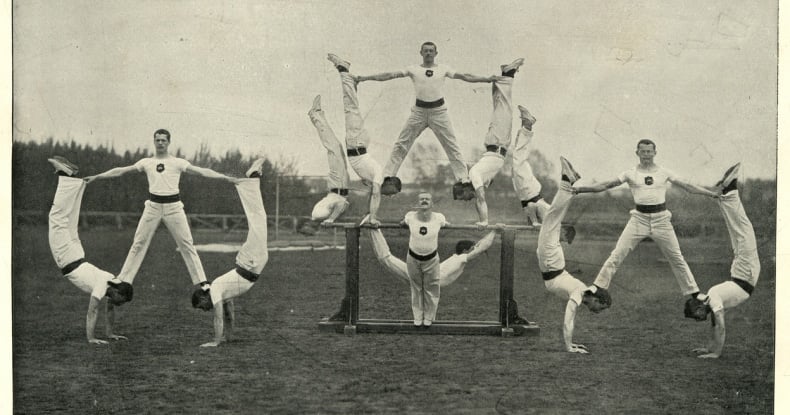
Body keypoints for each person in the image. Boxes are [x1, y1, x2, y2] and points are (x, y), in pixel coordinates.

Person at [84, 129, 240, 287]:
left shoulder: (177, 162)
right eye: (157, 140)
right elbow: (121, 171)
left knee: (187, 244)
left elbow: (202, 172)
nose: (160, 143)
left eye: (163, 140)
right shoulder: (146, 162)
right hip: (152, 207)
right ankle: (123, 279)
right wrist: (97, 177)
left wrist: (226, 178)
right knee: (138, 242)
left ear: (168, 142)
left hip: (174, 208)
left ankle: (202, 282)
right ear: (154, 142)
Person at [574, 139, 719, 303]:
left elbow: (688, 186)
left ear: (655, 153)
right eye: (643, 152)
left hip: (661, 220)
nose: (646, 155)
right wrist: (579, 189)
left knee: (677, 258)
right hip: (638, 220)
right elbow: (605, 185)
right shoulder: (629, 173)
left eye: (649, 152)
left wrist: (712, 194)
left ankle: (694, 293)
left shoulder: (664, 172)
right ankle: (598, 286)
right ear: (637, 153)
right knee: (617, 254)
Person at [354, 41, 508, 196]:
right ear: (421, 52)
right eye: (425, 51)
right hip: (419, 112)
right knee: (401, 144)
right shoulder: (413, 69)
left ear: (436, 53)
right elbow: (389, 75)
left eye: (431, 51)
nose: (428, 53)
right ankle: (388, 177)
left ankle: (464, 180)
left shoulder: (443, 69)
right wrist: (365, 78)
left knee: (451, 145)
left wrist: (486, 79)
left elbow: (465, 76)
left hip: (439, 112)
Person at [46, 156, 134, 344]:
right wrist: (91, 338)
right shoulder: (103, 285)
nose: (119, 304)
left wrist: (110, 334)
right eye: (121, 300)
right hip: (68, 258)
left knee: (69, 220)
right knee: (57, 219)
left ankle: (75, 182)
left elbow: (109, 310)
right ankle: (65, 175)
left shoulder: (113, 281)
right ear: (118, 292)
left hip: (78, 254)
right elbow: (92, 310)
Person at [684, 163, 759, 359]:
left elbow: (721, 327)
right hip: (742, 271)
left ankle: (729, 192)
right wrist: (708, 348)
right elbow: (715, 326)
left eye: (696, 315)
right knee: (739, 229)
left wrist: (715, 353)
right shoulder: (711, 298)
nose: (698, 319)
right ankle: (728, 192)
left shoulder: (714, 298)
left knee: (742, 228)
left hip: (745, 271)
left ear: (700, 307)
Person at [538, 157, 612, 353]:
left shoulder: (580, 290)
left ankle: (566, 183)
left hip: (553, 264)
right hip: (552, 263)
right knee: (553, 217)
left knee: (552, 217)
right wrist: (569, 346)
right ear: (597, 300)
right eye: (601, 308)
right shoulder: (579, 293)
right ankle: (566, 182)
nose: (598, 312)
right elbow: (568, 318)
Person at [191, 160, 268, 347]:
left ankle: (249, 181)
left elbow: (218, 318)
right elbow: (229, 315)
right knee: (258, 219)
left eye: (202, 307)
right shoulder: (222, 293)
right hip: (252, 264)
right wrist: (229, 337)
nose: (205, 310)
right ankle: (251, 181)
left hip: (249, 262)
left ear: (203, 296)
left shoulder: (216, 289)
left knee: (258, 219)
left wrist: (216, 341)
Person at [325, 54, 384, 226]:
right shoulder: (379, 174)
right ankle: (344, 71)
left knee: (354, 109)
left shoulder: (373, 177)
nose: (383, 193)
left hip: (359, 143)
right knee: (350, 108)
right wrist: (373, 216)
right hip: (356, 143)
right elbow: (375, 195)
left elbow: (372, 192)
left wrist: (370, 214)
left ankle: (351, 83)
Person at [467, 58, 525, 227]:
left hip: (497, 143)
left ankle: (507, 74)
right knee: (501, 107)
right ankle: (507, 74)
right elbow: (482, 190)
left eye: (464, 196)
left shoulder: (474, 176)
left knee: (504, 108)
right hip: (496, 145)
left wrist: (484, 221)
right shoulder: (478, 177)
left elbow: (481, 199)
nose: (468, 199)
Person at [365, 213, 496, 287]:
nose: (475, 250)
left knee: (386, 259)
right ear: (466, 250)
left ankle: (373, 228)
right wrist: (495, 230)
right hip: (423, 279)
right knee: (386, 258)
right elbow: (481, 248)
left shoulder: (458, 258)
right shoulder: (461, 259)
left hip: (424, 279)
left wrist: (493, 231)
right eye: (472, 249)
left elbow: (479, 246)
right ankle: (373, 227)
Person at [299, 95, 352, 236]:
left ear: (307, 223)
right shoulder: (318, 216)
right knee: (336, 147)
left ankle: (315, 115)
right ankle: (317, 115)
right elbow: (341, 204)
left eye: (308, 229)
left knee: (333, 147)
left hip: (338, 185)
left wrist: (331, 219)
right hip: (339, 186)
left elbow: (343, 204)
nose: (313, 230)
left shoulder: (318, 214)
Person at [400, 192, 448, 326]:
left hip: (431, 259)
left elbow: (445, 224)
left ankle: (428, 317)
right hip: (413, 258)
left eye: (427, 199)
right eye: (421, 199)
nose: (424, 201)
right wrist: (402, 223)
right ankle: (417, 317)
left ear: (432, 203)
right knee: (416, 288)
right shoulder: (410, 216)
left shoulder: (439, 218)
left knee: (431, 288)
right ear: (417, 203)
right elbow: (403, 223)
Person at [510, 105, 550, 226]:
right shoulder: (547, 216)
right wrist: (534, 222)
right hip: (530, 193)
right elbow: (531, 206)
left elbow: (530, 208)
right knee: (518, 161)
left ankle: (525, 125)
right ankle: (527, 125)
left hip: (528, 192)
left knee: (517, 160)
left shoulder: (547, 215)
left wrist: (533, 221)